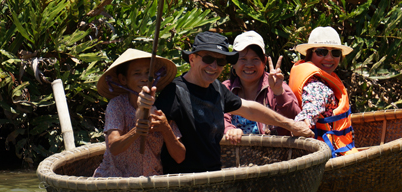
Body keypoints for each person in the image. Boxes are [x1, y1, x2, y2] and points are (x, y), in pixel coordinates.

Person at [154, 31, 313, 174]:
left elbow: (250, 109)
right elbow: (149, 128)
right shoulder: (173, 92)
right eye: (208, 59)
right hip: (182, 179)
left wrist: (290, 125)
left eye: (221, 61)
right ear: (192, 59)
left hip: (214, 177)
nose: (214, 67)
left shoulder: (216, 88)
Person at [93, 48, 185, 177]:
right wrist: (136, 131)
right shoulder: (117, 105)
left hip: (150, 180)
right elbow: (114, 147)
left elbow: (180, 156)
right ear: (123, 79)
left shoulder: (162, 106)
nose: (144, 79)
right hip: (115, 179)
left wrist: (166, 129)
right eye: (137, 73)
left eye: (148, 73)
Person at [289, 26, 359, 158]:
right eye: (321, 52)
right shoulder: (315, 85)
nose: (329, 58)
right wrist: (304, 122)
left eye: (335, 53)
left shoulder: (323, 78)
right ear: (310, 54)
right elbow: (313, 104)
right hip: (329, 154)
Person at [222, 31, 301, 145]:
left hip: (274, 157)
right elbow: (217, 116)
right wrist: (229, 129)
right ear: (233, 63)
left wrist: (279, 93)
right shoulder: (226, 88)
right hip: (234, 157)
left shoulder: (276, 85)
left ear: (264, 62)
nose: (249, 65)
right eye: (243, 59)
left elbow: (295, 120)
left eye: (255, 59)